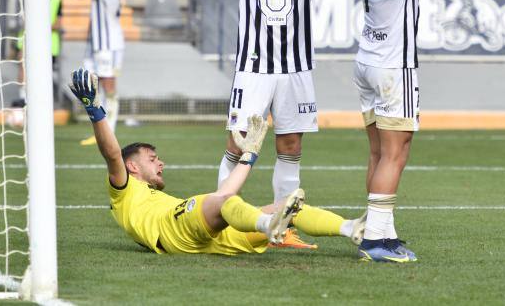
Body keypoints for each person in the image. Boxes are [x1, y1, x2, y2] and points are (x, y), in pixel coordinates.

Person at [68, 67, 367, 256]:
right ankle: (267, 223)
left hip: (211, 240)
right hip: (170, 230)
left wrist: (249, 156)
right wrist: (95, 110)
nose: (161, 164)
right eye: (152, 158)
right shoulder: (123, 191)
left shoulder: (156, 197)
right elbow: (111, 153)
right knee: (223, 201)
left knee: (287, 206)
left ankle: (349, 227)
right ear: (133, 166)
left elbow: (225, 197)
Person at [198, 0, 350, 249]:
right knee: (237, 143)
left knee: (290, 146)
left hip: (294, 70)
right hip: (253, 69)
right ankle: (220, 218)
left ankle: (284, 225)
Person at [351, 0, 434, 262]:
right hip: (392, 64)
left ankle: (377, 228)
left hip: (367, 59)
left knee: (378, 152)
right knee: (396, 153)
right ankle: (376, 242)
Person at [67, 0, 125, 146]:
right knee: (92, 84)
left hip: (108, 42)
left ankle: (109, 132)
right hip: (98, 42)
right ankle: (100, 129)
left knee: (108, 86)